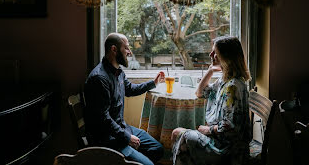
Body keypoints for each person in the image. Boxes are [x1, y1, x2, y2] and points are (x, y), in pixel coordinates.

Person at [84, 33, 165, 165]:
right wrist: (127, 138)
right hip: (107, 138)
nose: (130, 52)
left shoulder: (118, 71)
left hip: (121, 128)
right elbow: (103, 118)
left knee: (157, 149)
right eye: (126, 48)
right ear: (114, 49)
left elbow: (130, 89)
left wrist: (153, 83)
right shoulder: (99, 78)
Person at [171, 36, 251, 165]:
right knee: (178, 134)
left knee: (177, 133)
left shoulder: (232, 87)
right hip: (219, 139)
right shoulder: (225, 80)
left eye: (215, 52)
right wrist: (210, 71)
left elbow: (230, 126)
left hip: (227, 148)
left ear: (226, 57)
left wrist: (208, 130)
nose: (210, 54)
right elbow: (200, 93)